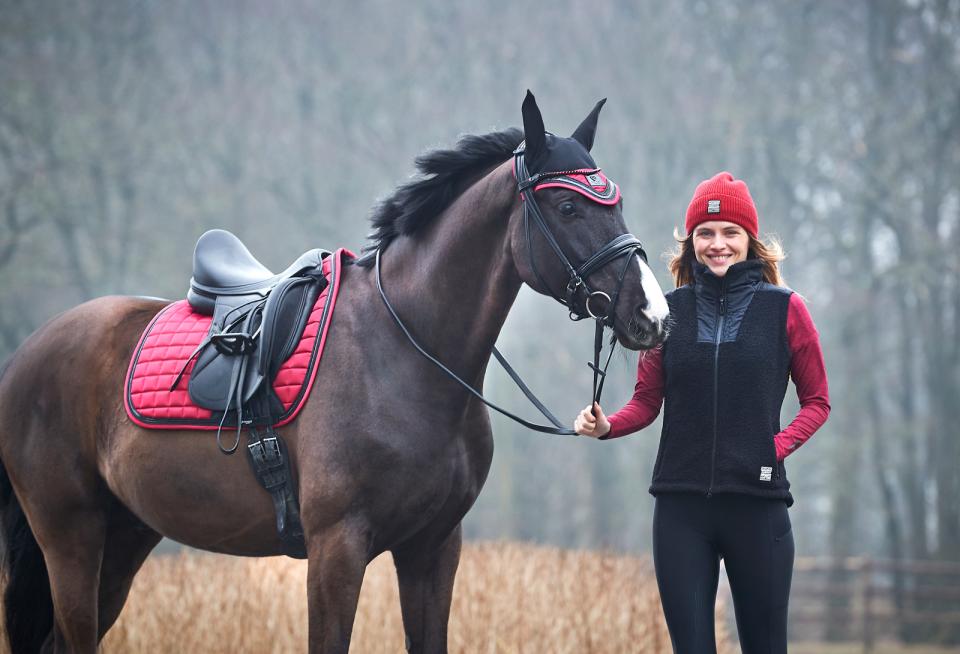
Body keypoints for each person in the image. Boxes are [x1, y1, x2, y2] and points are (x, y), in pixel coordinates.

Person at [574, 172, 830, 654]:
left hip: (759, 507)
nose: (717, 244)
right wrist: (607, 426)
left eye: (729, 232)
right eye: (705, 234)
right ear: (690, 241)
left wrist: (773, 447)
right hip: (680, 510)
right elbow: (648, 402)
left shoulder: (787, 310)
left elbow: (818, 402)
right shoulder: (666, 312)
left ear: (749, 241)